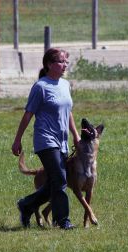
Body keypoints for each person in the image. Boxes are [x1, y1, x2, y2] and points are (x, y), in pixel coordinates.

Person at [11, 48, 80, 230]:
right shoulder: (40, 87)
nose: (65, 65)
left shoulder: (65, 85)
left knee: (53, 183)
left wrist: (75, 134)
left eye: (66, 62)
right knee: (60, 178)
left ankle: (26, 205)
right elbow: (28, 114)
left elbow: (68, 112)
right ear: (49, 64)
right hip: (45, 140)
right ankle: (62, 220)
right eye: (61, 62)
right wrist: (17, 139)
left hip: (62, 140)